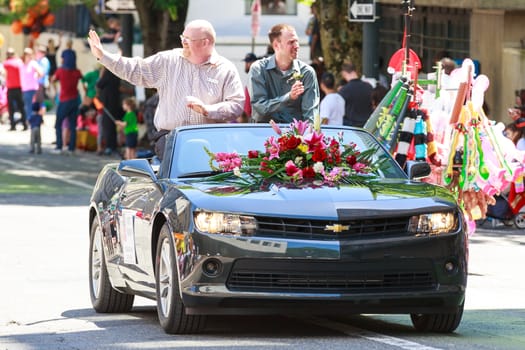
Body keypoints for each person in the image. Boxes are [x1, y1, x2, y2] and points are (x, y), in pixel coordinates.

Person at [87, 19, 244, 160]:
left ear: (206, 42)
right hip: (171, 138)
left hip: (211, 140)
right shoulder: (169, 60)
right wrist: (103, 56)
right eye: (183, 38)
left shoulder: (226, 69)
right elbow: (136, 69)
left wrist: (208, 110)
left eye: (188, 40)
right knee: (177, 174)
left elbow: (236, 104)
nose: (183, 42)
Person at [248, 23, 320, 123]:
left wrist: (308, 136)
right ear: (276, 46)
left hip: (295, 135)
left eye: (297, 41)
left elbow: (311, 116)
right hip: (263, 133)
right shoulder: (258, 69)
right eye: (291, 42)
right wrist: (288, 97)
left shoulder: (307, 72)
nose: (297, 46)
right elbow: (260, 107)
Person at [51, 51, 82, 154]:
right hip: (75, 100)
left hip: (64, 100)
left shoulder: (60, 71)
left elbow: (52, 80)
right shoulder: (77, 72)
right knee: (73, 125)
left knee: (58, 124)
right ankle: (71, 148)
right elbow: (83, 80)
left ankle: (59, 146)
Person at [96, 66, 123, 156]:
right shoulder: (116, 73)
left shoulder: (107, 74)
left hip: (107, 103)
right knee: (112, 125)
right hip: (115, 102)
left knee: (107, 125)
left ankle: (109, 146)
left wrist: (101, 75)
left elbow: (99, 84)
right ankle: (113, 146)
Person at [338, 61, 373, 127]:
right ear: (355, 71)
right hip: (367, 126)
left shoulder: (344, 90)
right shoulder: (369, 86)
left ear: (344, 73)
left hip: (352, 127)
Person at [2, 47, 27, 131]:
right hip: (19, 88)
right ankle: (25, 124)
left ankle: (13, 126)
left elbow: (2, 73)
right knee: (21, 107)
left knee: (11, 108)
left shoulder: (6, 63)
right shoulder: (19, 62)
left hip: (10, 88)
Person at [20, 48, 43, 129]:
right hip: (25, 89)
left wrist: (36, 76)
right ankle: (28, 122)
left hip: (32, 88)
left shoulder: (33, 63)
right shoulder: (22, 64)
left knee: (32, 106)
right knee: (27, 107)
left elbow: (41, 73)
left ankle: (32, 122)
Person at [241, 52, 258, 122]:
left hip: (253, 114)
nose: (246, 64)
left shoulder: (255, 76)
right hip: (250, 114)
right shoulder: (250, 75)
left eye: (248, 62)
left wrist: (247, 111)